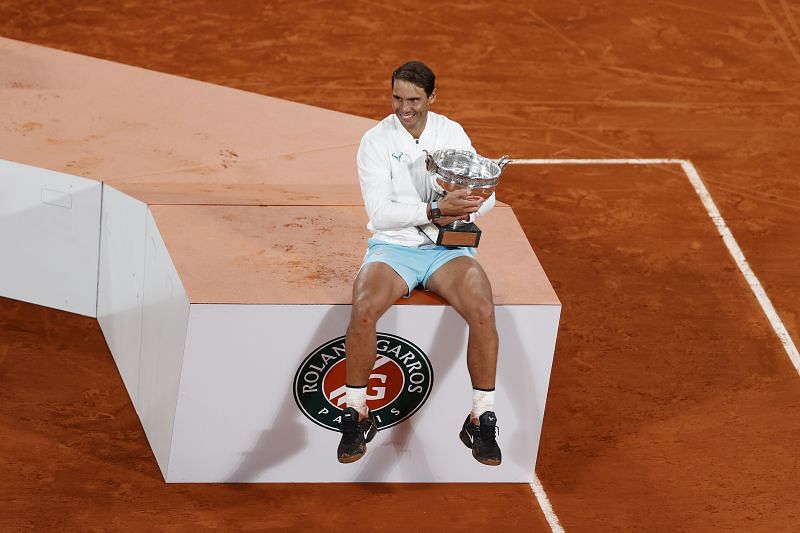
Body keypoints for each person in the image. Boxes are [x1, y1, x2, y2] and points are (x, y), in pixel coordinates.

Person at [337, 61, 502, 466]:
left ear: (432, 97)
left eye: (413, 100)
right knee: (364, 308)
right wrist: (434, 208)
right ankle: (356, 412)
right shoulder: (375, 141)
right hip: (395, 248)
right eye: (397, 98)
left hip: (446, 249)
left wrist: (467, 209)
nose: (404, 108)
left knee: (482, 308)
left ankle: (481, 417)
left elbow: (487, 195)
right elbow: (380, 213)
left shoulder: (452, 132)